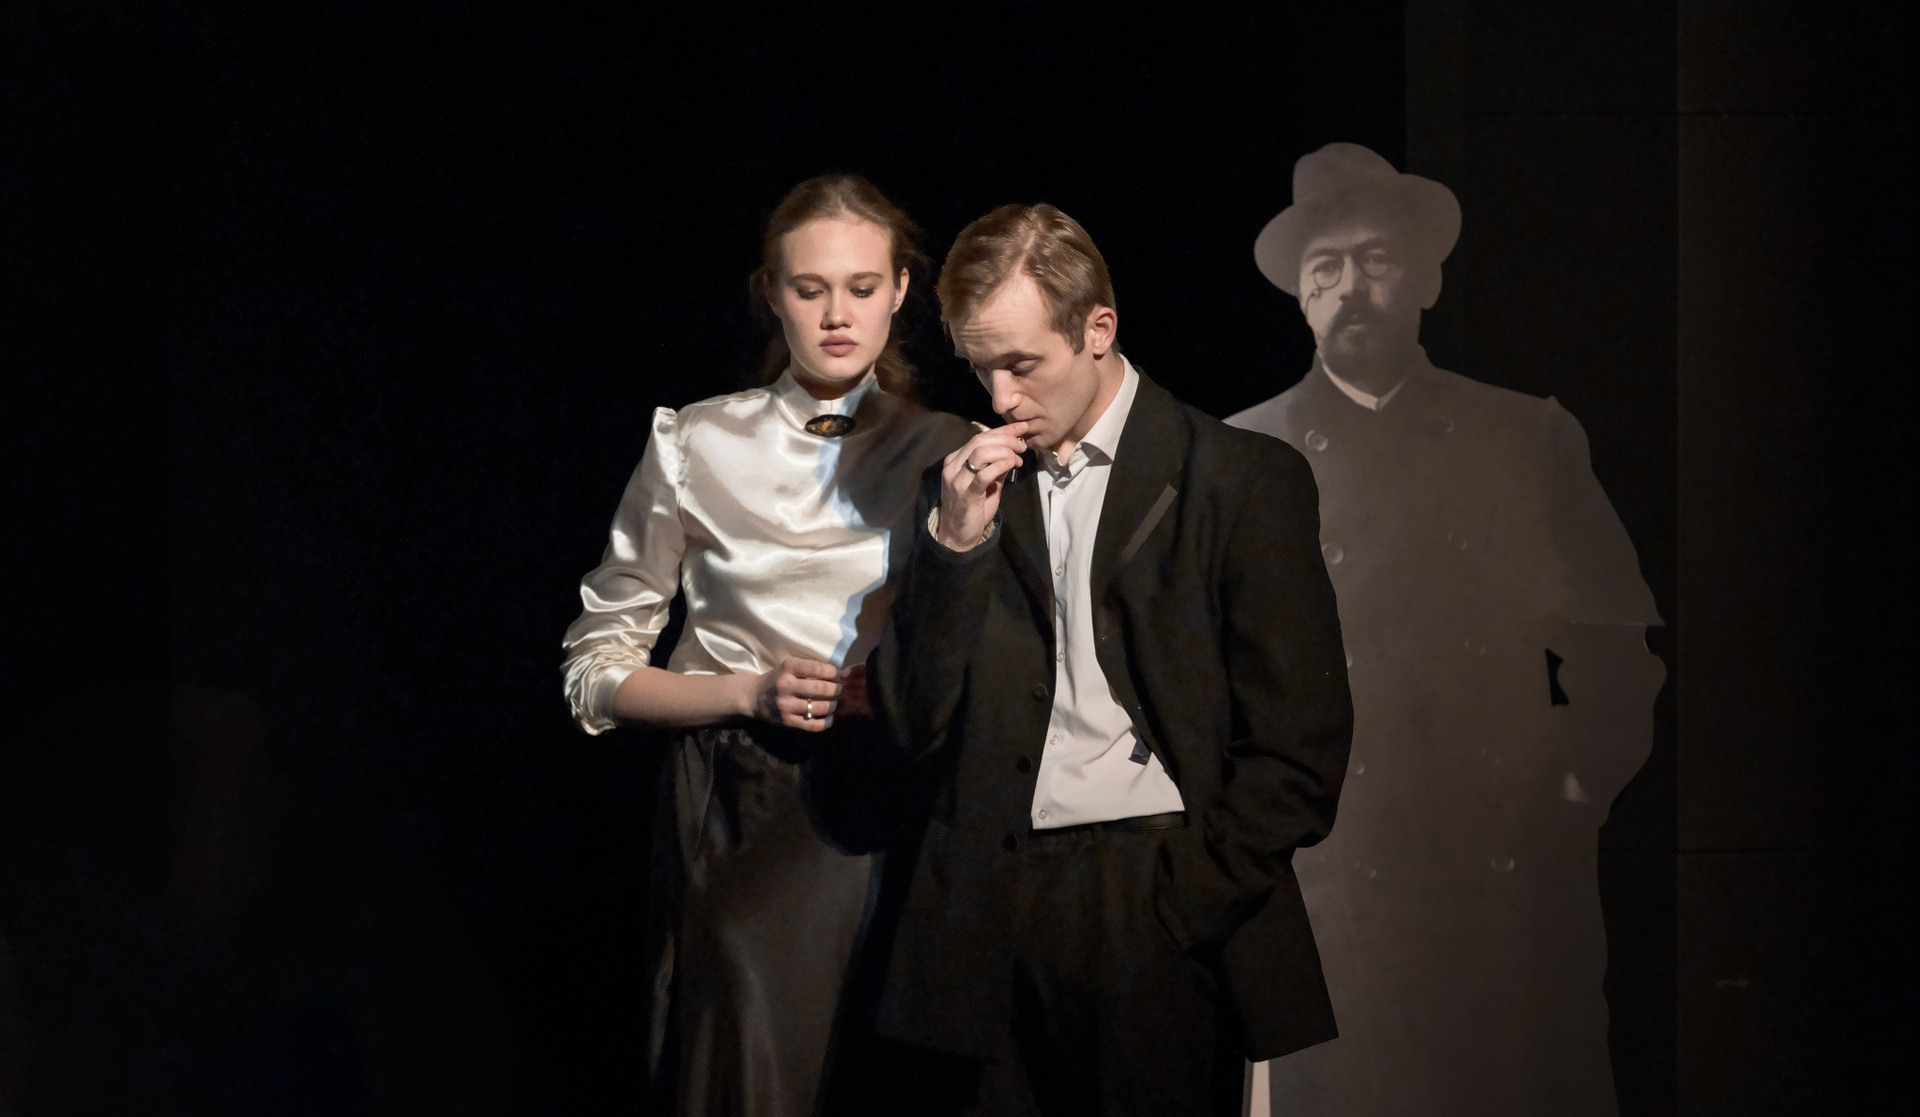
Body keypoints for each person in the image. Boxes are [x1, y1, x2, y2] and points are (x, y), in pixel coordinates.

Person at [866, 204, 1353, 1116]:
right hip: (992, 908)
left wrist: (1185, 903)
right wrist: (954, 549)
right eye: (980, 367)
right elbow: (909, 722)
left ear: (1098, 329)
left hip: (1152, 898)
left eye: (1022, 364)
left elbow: (1301, 741)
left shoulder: (1238, 478)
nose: (1001, 397)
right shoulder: (963, 488)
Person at [1228, 143, 1666, 1116]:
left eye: (1376, 260)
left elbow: (1610, 645)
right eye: (1325, 269)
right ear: (1301, 297)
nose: (1351, 288)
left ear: (1426, 280)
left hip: (1499, 874)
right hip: (1330, 875)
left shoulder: (1526, 437)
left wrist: (1572, 782)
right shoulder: (1246, 452)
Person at [560, 174, 971, 1117]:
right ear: (771, 294)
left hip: (900, 804)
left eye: (861, 287)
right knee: (749, 1072)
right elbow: (593, 670)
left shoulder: (949, 448)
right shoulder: (696, 441)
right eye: (809, 288)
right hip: (745, 804)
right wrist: (747, 691)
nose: (837, 314)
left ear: (902, 291)